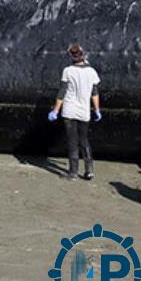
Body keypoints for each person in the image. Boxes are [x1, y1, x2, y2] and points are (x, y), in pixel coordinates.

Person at [48, 43, 101, 180]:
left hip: (69, 111)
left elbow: (62, 93)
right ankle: (89, 170)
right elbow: (94, 93)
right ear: (83, 55)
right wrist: (97, 109)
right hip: (84, 111)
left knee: (72, 141)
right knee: (84, 140)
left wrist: (55, 110)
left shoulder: (68, 71)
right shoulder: (92, 72)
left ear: (70, 56)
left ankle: (72, 173)